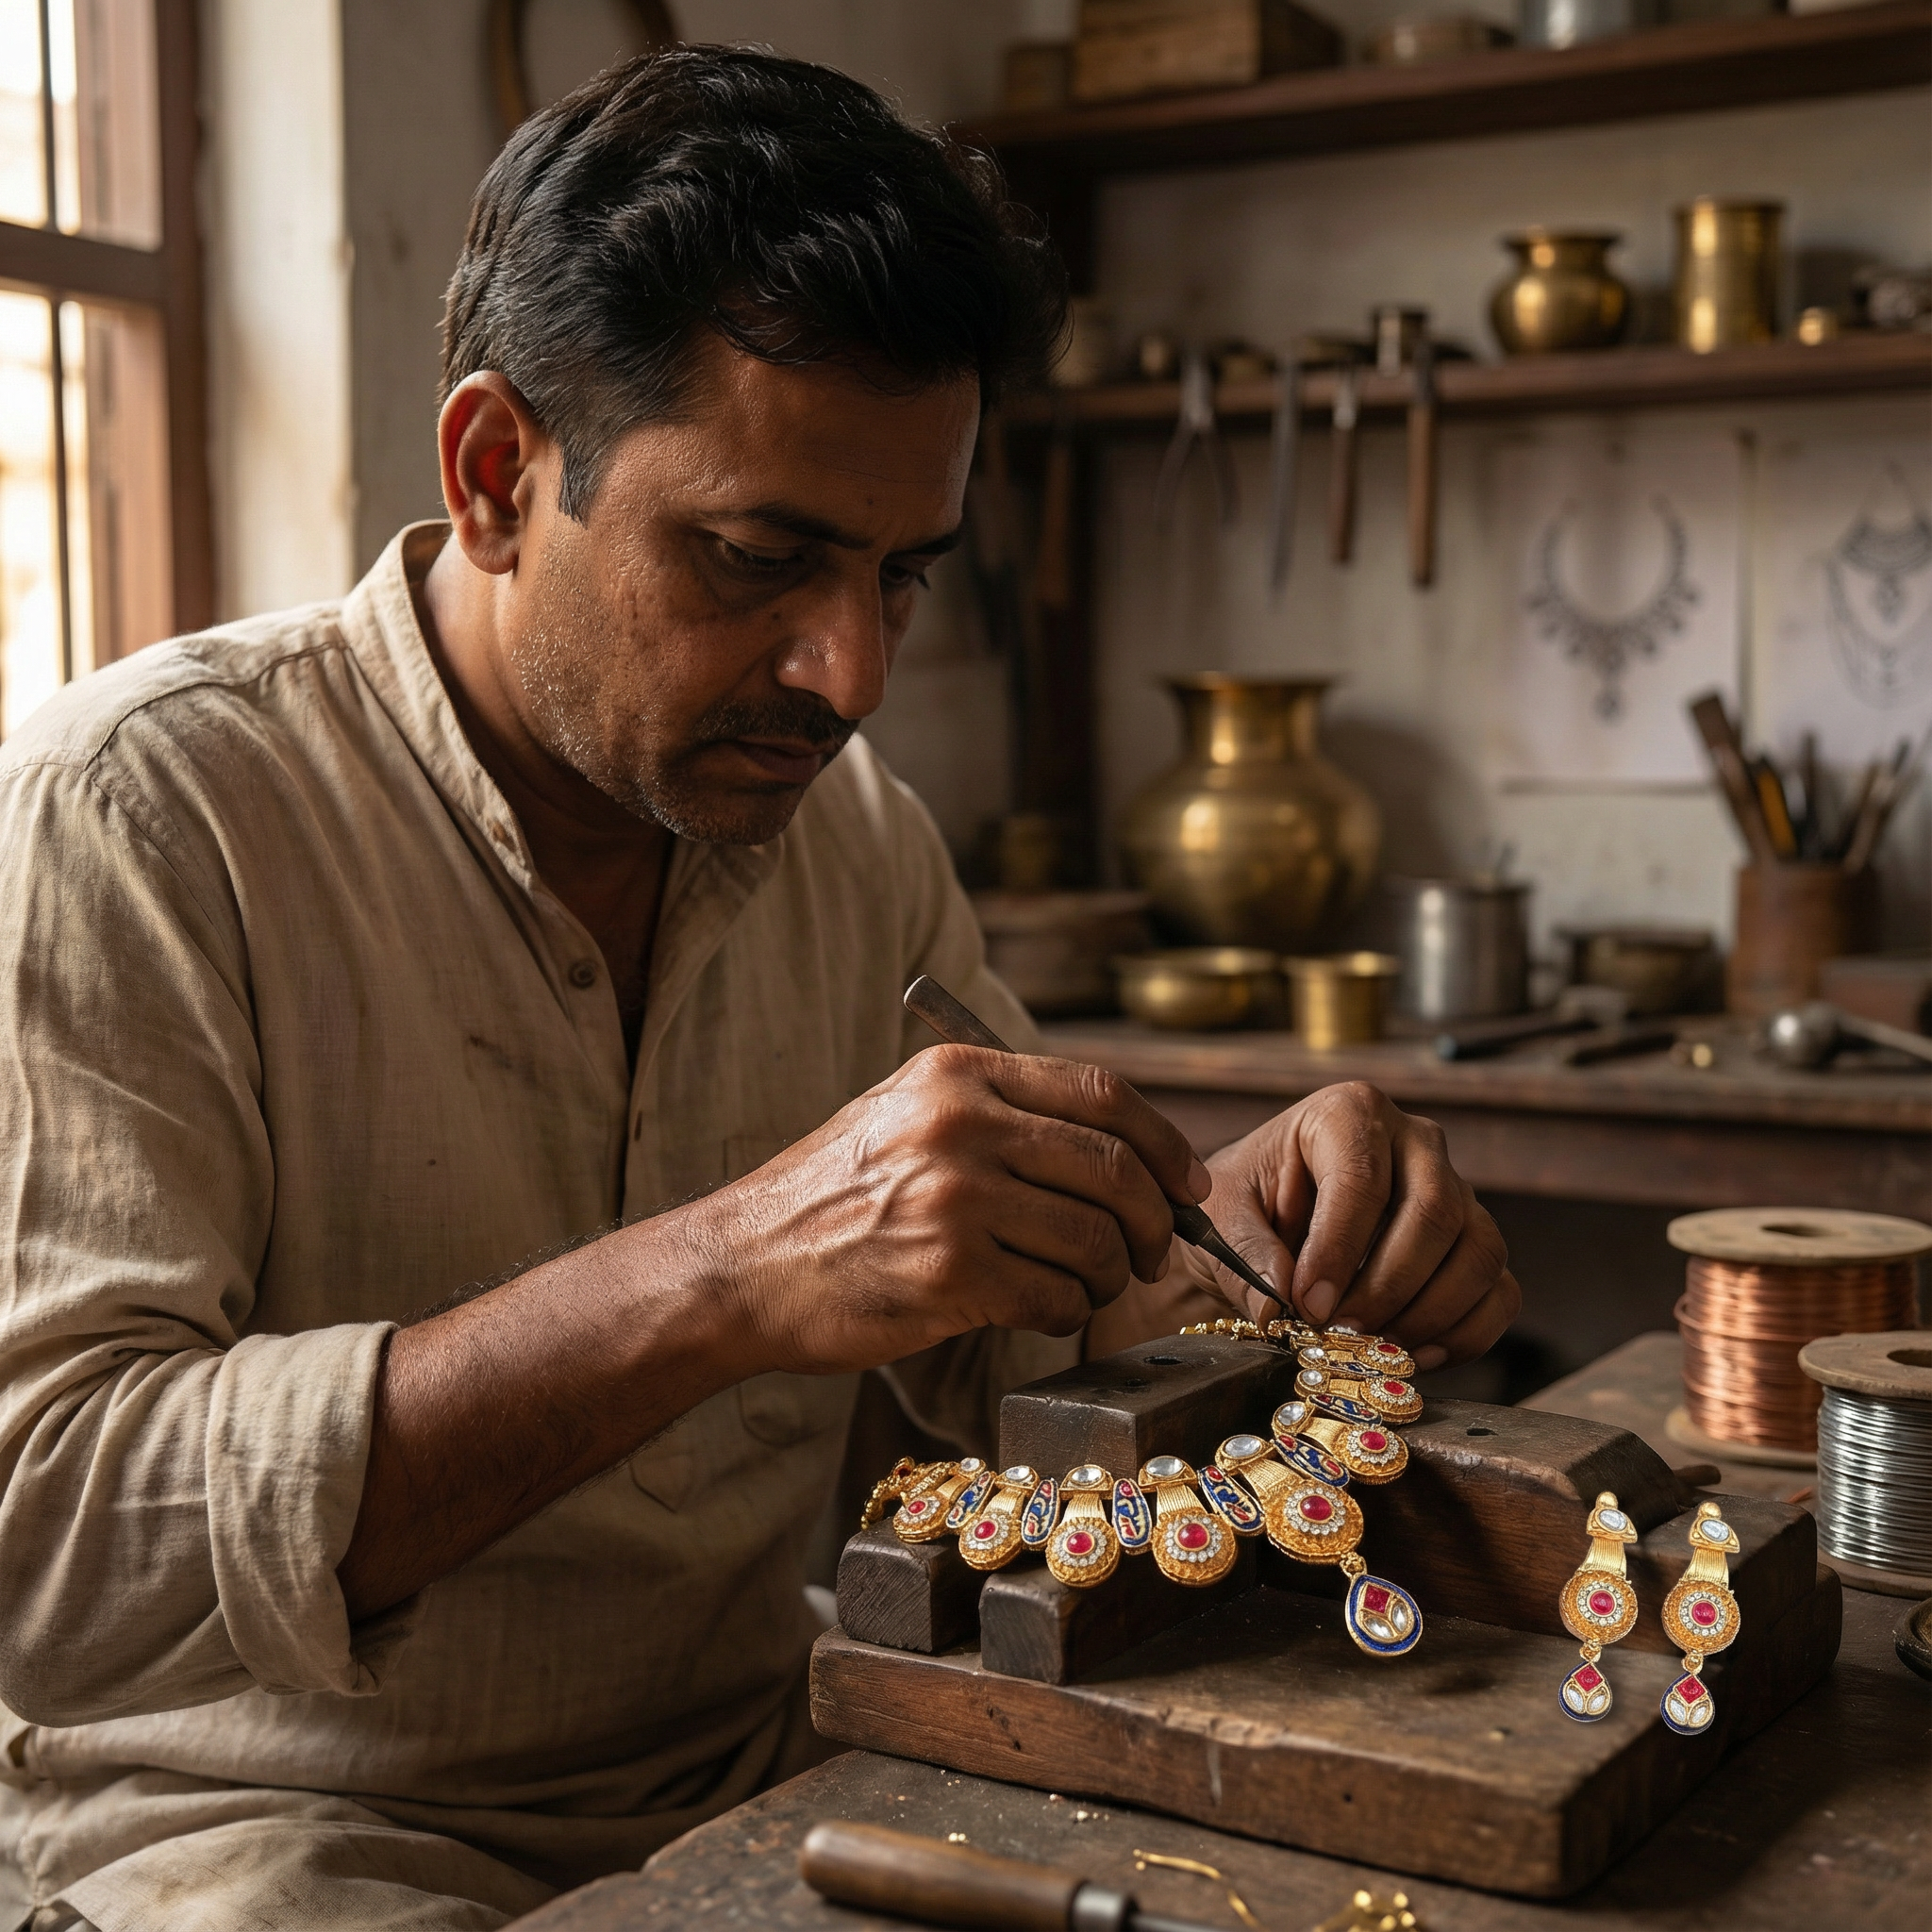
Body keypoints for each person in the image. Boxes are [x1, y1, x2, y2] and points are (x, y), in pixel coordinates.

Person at [0, 47, 1518, 1932]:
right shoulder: (143, 811)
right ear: (496, 474)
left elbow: (1015, 1337)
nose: (851, 672)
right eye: (757, 557)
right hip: (256, 1841)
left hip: (775, 1766)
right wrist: (718, 1275)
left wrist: (1239, 1222)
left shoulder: (851, 833)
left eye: (903, 579)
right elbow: (45, 1541)